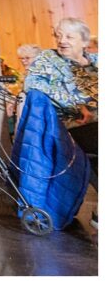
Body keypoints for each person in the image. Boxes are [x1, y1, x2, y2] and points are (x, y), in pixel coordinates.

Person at [24, 19, 97, 209]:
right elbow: (32, 85)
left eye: (69, 37)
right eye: (59, 35)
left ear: (84, 41)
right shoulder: (48, 58)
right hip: (74, 125)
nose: (62, 40)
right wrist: (75, 104)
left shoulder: (97, 61)